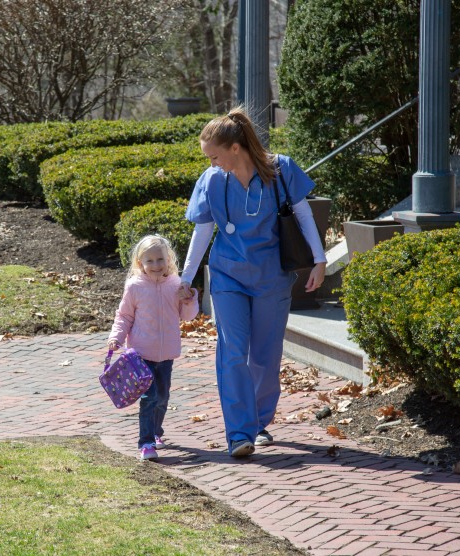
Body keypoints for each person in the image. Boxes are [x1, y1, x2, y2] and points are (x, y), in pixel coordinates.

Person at [179, 107, 326, 458]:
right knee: (232, 351)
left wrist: (319, 259)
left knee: (264, 356)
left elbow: (303, 213)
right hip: (228, 275)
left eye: (214, 156)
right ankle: (239, 434)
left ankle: (259, 423)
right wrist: (185, 278)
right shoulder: (213, 180)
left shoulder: (281, 170)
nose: (211, 163)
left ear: (235, 148)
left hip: (272, 277)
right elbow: (203, 230)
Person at [108, 235, 199, 461]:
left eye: (161, 259)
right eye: (150, 261)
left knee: (163, 397)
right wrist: (116, 337)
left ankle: (157, 432)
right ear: (140, 263)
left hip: (166, 354)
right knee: (149, 397)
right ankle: (146, 442)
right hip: (141, 353)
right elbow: (125, 315)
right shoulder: (135, 286)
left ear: (169, 260)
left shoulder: (176, 284)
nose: (156, 265)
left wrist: (189, 299)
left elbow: (187, 317)